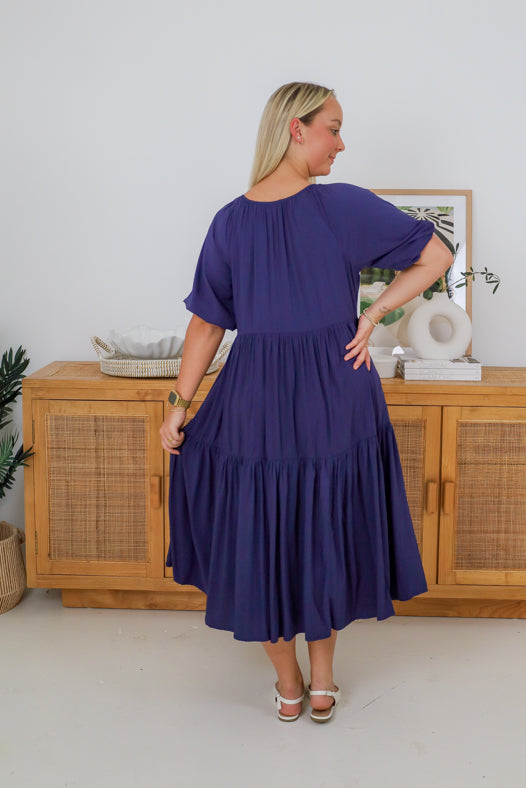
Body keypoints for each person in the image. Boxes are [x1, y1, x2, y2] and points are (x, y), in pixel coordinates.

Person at [160, 81, 453, 723]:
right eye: (334, 129)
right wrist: (371, 315)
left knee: (259, 530)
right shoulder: (341, 207)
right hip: (334, 388)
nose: (340, 145)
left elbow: (206, 325)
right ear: (297, 129)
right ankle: (323, 685)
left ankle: (290, 686)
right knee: (322, 526)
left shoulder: (230, 221)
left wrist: (178, 407)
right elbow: (438, 255)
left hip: (255, 396)